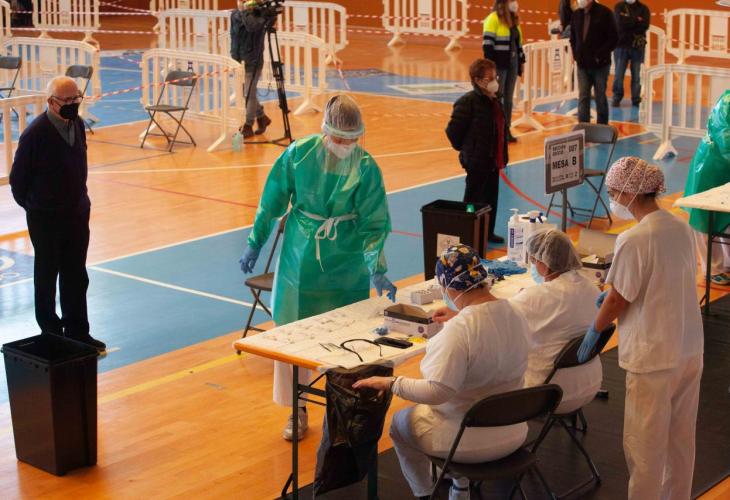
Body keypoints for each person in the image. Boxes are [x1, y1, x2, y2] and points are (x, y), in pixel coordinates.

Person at [239, 94, 396, 441]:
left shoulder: (365, 167)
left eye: (351, 140)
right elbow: (272, 201)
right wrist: (255, 241)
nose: (345, 145)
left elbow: (374, 222)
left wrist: (377, 267)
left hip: (347, 260)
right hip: (302, 256)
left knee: (348, 335)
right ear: (326, 130)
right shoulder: (299, 154)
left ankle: (342, 409)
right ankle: (296, 409)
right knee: (293, 333)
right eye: (339, 138)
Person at [354, 244, 530, 500]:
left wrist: (392, 383)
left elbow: (437, 391)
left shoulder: (460, 330)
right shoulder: (516, 312)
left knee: (400, 424)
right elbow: (489, 330)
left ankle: (426, 492)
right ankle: (459, 483)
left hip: (467, 442)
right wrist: (461, 314)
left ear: (450, 287)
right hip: (514, 431)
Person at [578, 156, 704, 500]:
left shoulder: (634, 238)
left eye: (613, 193)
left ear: (628, 192)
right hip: (688, 348)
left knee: (645, 446)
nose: (612, 199)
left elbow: (618, 299)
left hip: (653, 357)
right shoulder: (681, 227)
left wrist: (595, 330)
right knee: (681, 440)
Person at [9, 76, 105, 352]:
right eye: (67, 100)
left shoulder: (78, 124)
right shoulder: (35, 134)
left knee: (76, 275)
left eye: (77, 98)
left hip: (77, 213)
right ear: (51, 102)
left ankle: (78, 331)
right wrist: (37, 206)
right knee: (47, 275)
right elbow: (18, 180)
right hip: (46, 217)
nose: (74, 104)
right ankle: (52, 334)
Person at [508, 229, 602, 413]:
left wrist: (525, 297)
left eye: (534, 260)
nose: (533, 265)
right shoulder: (592, 288)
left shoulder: (537, 296)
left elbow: (499, 320)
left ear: (545, 263)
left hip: (548, 393)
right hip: (590, 383)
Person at [446, 58, 509, 244]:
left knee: (491, 199)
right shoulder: (468, 102)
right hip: (477, 161)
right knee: (472, 202)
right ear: (478, 80)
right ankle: (468, 232)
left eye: (495, 77)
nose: (495, 81)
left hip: (494, 160)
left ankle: (488, 232)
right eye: (490, 78)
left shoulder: (495, 100)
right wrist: (468, 149)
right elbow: (453, 131)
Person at [683, 90, 730, 286]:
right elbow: (725, 139)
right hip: (711, 164)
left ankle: (726, 263)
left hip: (725, 166)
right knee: (705, 217)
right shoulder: (727, 103)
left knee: (725, 216)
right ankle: (712, 268)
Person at [482, 0, 525, 143]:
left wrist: (521, 61)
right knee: (497, 98)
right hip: (499, 64)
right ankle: (495, 132)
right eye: (512, 0)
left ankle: (506, 130)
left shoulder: (514, 19)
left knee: (508, 99)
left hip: (513, 63)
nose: (515, 3)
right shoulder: (492, 19)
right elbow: (487, 45)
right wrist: (491, 68)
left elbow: (518, 43)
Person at [569, 0, 618, 124]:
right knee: (583, 96)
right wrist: (576, 54)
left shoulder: (605, 13)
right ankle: (583, 126)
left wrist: (599, 55)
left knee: (600, 96)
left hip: (600, 65)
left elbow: (613, 38)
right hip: (582, 64)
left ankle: (602, 126)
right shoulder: (576, 14)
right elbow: (573, 38)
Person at [230, 0, 271, 138]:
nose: (240, 3)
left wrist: (245, 11)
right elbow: (234, 36)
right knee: (247, 92)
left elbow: (251, 26)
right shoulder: (235, 14)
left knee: (248, 93)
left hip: (254, 60)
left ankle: (248, 125)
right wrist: (234, 57)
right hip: (241, 58)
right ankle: (262, 117)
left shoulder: (260, 15)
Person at [612, 0, 650, 107]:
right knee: (618, 74)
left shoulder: (644, 9)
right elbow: (619, 23)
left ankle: (636, 99)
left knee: (636, 75)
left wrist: (628, 19)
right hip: (620, 46)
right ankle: (617, 97)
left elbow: (644, 26)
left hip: (637, 47)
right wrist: (636, 19)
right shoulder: (619, 7)